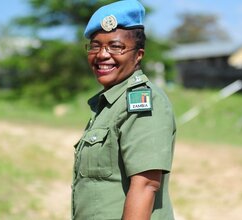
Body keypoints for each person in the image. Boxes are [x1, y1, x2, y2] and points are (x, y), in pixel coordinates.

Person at [72, 1, 176, 219]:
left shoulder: (142, 101)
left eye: (116, 46)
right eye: (95, 45)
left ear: (138, 55)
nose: (102, 54)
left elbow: (146, 185)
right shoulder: (110, 103)